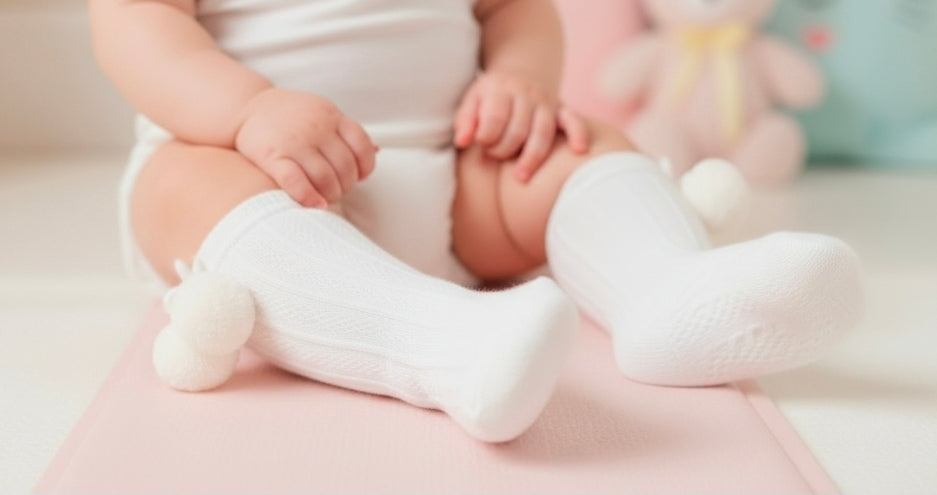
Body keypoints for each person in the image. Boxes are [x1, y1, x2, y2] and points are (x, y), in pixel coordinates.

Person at [89, 0, 863, 442]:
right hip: (257, 173)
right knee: (182, 183)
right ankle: (436, 342)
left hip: (461, 173)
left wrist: (519, 80)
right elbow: (137, 26)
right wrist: (247, 110)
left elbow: (515, 10)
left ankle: (667, 292)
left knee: (573, 144)